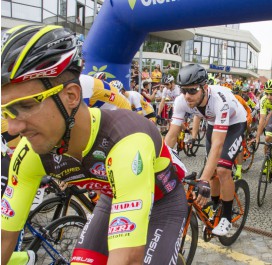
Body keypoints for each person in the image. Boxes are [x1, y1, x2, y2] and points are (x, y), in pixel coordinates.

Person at [1, 25, 187, 265]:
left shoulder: (126, 140)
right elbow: (5, 237)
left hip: (163, 204)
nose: (13, 128)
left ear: (71, 96)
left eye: (26, 106)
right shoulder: (30, 152)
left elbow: (126, 259)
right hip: (113, 197)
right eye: (7, 112)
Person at [165, 64, 247, 236]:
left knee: (222, 169)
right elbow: (172, 135)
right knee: (212, 173)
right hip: (213, 123)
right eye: (183, 90)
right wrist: (159, 162)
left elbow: (218, 145)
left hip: (235, 123)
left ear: (204, 87)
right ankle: (216, 204)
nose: (187, 96)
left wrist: (202, 180)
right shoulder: (181, 101)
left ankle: (225, 217)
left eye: (192, 90)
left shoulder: (219, 101)